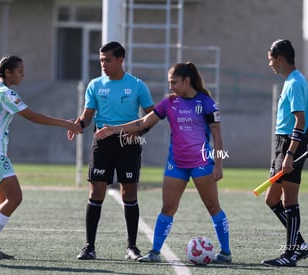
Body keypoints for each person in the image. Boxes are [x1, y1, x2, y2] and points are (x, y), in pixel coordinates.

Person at [95, 62, 232, 264]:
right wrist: (115, 129)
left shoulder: (207, 103)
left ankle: (226, 253)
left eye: (174, 82)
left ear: (187, 81)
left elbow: (218, 138)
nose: (171, 87)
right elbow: (142, 122)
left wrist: (218, 165)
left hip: (202, 164)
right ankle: (155, 252)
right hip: (176, 164)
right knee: (167, 208)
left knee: (213, 207)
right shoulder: (169, 103)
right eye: (170, 83)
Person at [0, 55, 82, 259]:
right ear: (8, 72)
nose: (23, 75)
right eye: (20, 71)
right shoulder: (7, 93)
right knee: (15, 197)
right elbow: (32, 116)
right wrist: (66, 124)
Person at [67, 41, 154, 260]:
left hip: (129, 144)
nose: (103, 64)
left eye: (108, 60)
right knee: (96, 192)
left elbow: (152, 116)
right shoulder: (95, 85)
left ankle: (132, 247)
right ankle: (89, 247)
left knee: (129, 193)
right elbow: (87, 115)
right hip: (102, 143)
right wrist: (78, 124)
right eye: (101, 60)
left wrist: (139, 133)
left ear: (121, 59)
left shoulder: (137, 85)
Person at [261, 39, 308, 267]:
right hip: (282, 144)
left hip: (291, 145)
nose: (270, 64)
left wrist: (290, 153)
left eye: (271, 59)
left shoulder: (294, 83)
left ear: (280, 58)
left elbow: (300, 120)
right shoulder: (291, 81)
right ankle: (299, 245)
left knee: (290, 200)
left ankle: (291, 254)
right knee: (272, 199)